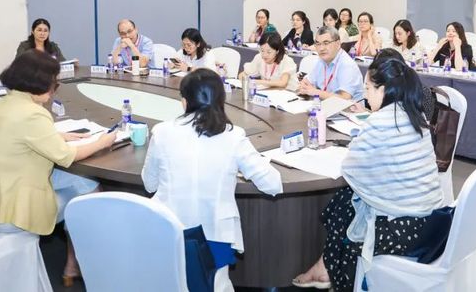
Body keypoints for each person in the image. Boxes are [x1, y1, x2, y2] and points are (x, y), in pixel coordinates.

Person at [294, 58, 444, 291]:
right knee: (344, 200)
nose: (364, 95)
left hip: (404, 230)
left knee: (345, 211)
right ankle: (324, 269)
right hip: (433, 221)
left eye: (367, 88)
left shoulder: (381, 121)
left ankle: (337, 275)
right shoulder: (416, 114)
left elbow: (350, 169)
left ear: (383, 90)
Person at [0, 50, 115, 286]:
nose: (54, 89)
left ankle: (73, 264)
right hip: (14, 212)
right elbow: (67, 156)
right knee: (87, 194)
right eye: (54, 83)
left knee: (83, 183)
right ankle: (81, 263)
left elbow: (22, 137)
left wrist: (57, 136)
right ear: (39, 83)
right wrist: (103, 142)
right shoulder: (33, 114)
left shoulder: (4, 104)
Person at [142, 69, 282, 285]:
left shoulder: (161, 132)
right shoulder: (233, 136)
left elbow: (149, 184)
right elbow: (272, 184)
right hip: (215, 234)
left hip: (168, 231)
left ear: (184, 102)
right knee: (215, 285)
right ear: (221, 100)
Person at [299, 26, 363, 101]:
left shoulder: (347, 64)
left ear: (338, 44)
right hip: (325, 105)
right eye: (318, 44)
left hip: (347, 107)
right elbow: (307, 82)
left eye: (326, 43)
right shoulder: (321, 60)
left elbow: (344, 99)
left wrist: (315, 92)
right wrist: (304, 86)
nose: (321, 48)